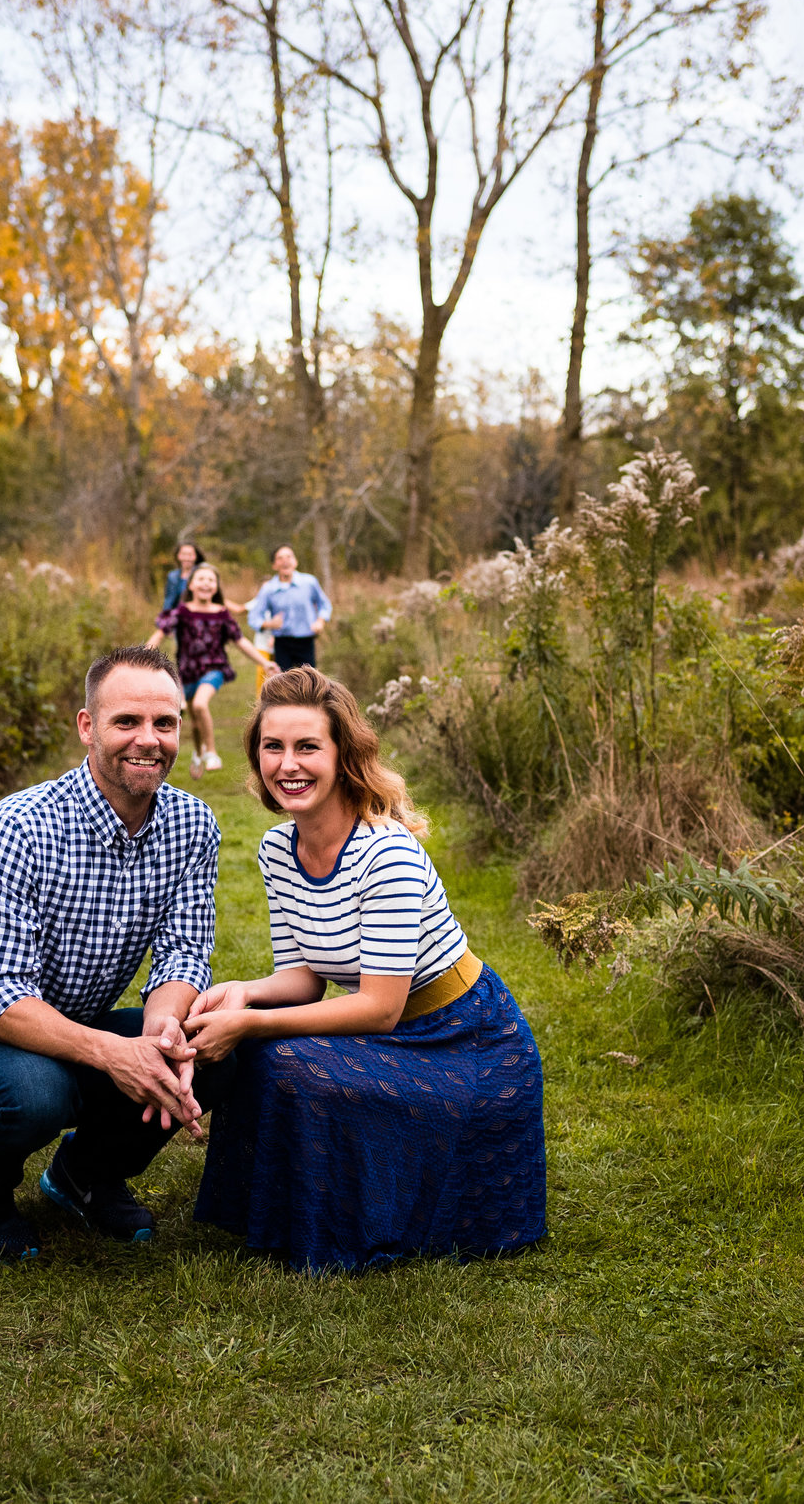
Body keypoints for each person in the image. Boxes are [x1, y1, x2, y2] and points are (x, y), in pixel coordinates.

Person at [182, 669, 548, 1270]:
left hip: (463, 1039)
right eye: (272, 747)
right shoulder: (278, 851)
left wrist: (250, 1024)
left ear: (342, 755)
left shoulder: (386, 853)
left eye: (307, 747)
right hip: (389, 1026)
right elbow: (302, 978)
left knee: (279, 1056)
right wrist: (242, 993)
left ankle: (353, 1215)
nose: (287, 765)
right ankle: (279, 1217)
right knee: (264, 1056)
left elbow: (380, 1006)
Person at [0, 646, 238, 1261]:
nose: (149, 740)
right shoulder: (19, 826)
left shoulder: (193, 825)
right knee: (38, 1092)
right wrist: (116, 1054)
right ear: (87, 727)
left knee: (211, 1042)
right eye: (127, 722)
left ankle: (83, 1174)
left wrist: (163, 1037)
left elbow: (183, 952)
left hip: (75, 1026)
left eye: (165, 724)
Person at [145, 563, 273, 778]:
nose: (206, 583)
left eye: (211, 580)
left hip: (214, 669)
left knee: (200, 704)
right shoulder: (182, 612)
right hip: (187, 672)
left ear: (216, 587)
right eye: (201, 579)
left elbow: (241, 642)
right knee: (194, 723)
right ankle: (198, 752)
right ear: (191, 585)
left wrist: (264, 662)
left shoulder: (222, 613)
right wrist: (143, 656)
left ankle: (212, 752)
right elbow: (160, 633)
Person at [245, 544, 332, 672]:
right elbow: (253, 617)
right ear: (274, 565)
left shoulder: (309, 582)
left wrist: (320, 621)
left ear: (295, 562)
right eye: (280, 558)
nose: (285, 560)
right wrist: (269, 624)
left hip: (306, 641)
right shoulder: (268, 589)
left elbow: (325, 605)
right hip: (282, 643)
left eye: (289, 556)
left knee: (310, 682)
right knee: (285, 685)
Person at [160, 541, 202, 614]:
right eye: (183, 554)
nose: (186, 558)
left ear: (196, 556)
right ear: (178, 555)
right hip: (178, 617)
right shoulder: (172, 576)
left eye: (190, 554)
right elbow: (169, 601)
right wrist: (164, 617)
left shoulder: (203, 574)